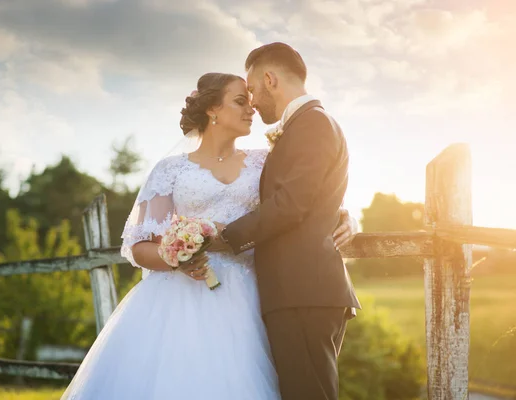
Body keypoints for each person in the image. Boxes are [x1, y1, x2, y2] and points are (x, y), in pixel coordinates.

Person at [60, 72, 357, 400]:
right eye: (241, 101)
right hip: (180, 298)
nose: (252, 109)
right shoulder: (171, 170)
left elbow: (306, 193)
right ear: (213, 110)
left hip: (251, 294)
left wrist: (347, 214)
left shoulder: (262, 162)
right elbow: (139, 244)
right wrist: (175, 257)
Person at [210, 42, 362, 400]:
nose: (252, 101)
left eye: (251, 89)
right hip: (299, 290)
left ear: (269, 79)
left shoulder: (312, 124)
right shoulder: (307, 125)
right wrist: (343, 213)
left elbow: (292, 204)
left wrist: (226, 236)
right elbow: (313, 194)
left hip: (303, 290)